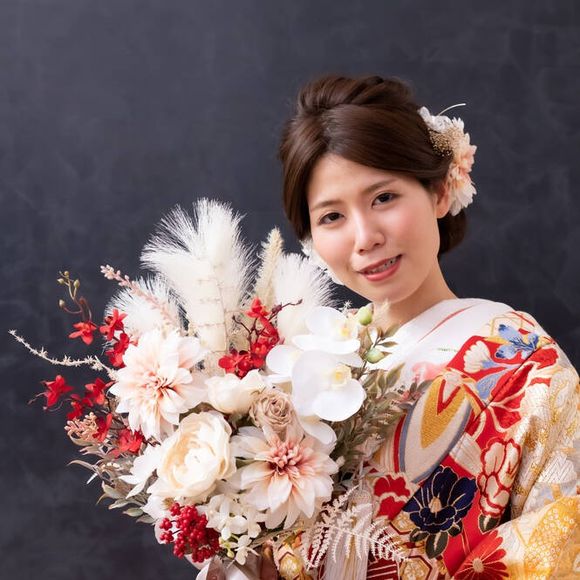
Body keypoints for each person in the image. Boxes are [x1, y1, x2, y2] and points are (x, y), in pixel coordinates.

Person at [277, 74, 579, 578]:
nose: (365, 237)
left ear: (439, 192)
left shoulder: (524, 363)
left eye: (383, 198)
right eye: (331, 217)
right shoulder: (305, 363)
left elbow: (561, 545)